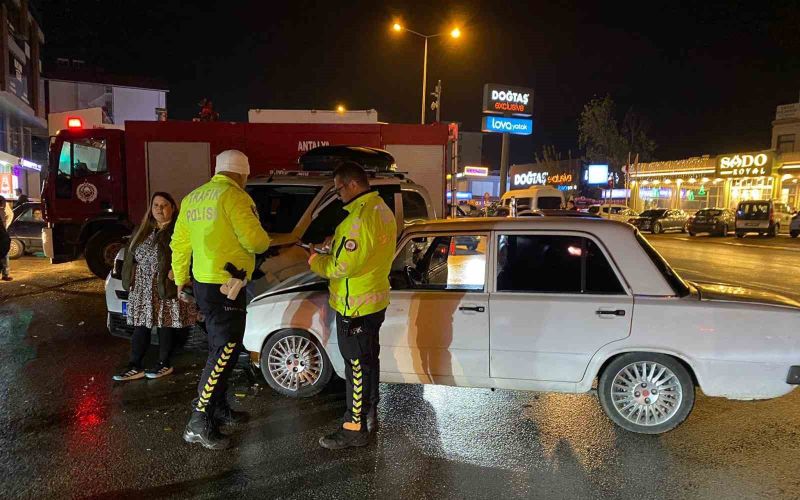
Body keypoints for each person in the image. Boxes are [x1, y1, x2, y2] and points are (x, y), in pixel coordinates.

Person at [171, 150, 270, 450]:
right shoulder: (236, 197)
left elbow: (180, 244)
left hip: (204, 284)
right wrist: (265, 241)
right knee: (225, 348)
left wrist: (179, 281)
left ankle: (218, 408)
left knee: (222, 348)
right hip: (228, 285)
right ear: (242, 173)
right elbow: (256, 241)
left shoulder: (193, 198)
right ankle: (198, 420)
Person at [308, 161, 397, 450]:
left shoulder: (357, 219)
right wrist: (335, 242)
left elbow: (341, 266)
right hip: (374, 301)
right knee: (369, 361)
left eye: (339, 189)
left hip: (354, 306)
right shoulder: (382, 210)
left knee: (356, 367)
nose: (338, 195)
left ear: (352, 185)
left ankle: (353, 426)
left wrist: (315, 260)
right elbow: (366, 252)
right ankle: (368, 412)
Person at [113, 192, 197, 382]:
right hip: (142, 285)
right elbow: (130, 254)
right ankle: (134, 366)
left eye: (164, 205)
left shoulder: (178, 230)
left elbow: (189, 252)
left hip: (163, 284)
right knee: (140, 326)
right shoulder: (142, 229)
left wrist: (178, 271)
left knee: (164, 325)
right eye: (156, 205)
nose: (159, 209)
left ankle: (164, 363)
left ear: (173, 208)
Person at [0, 195, 10, 281]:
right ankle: (5, 274)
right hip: (2, 236)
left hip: (3, 235)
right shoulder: (2, 211)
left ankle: (5, 274)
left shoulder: (3, 211)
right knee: (4, 255)